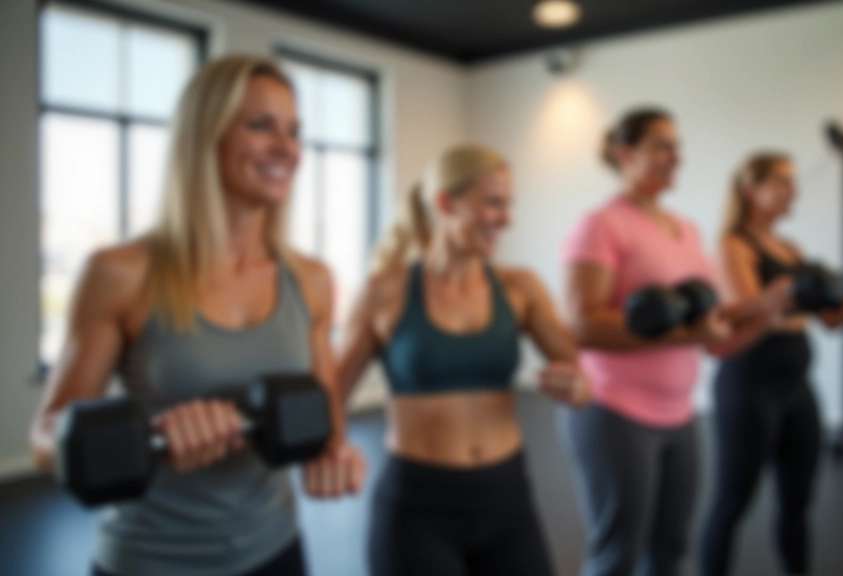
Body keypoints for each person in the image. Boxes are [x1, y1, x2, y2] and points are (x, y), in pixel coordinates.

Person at [28, 55, 365, 576]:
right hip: (150, 560)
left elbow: (327, 409)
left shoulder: (311, 279)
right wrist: (151, 436)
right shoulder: (121, 273)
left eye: (294, 131)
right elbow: (46, 438)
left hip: (276, 549)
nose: (287, 148)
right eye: (261, 125)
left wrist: (334, 452)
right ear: (206, 136)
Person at [333, 144, 591, 576]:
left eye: (508, 205)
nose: (506, 219)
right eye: (492, 203)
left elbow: (581, 376)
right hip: (418, 508)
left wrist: (576, 387)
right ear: (445, 203)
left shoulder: (520, 288)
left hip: (507, 498)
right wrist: (333, 448)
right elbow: (331, 393)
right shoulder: (385, 292)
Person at [560, 108, 790, 576]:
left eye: (677, 147)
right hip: (614, 411)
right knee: (616, 556)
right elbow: (582, 325)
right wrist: (689, 333)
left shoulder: (686, 229)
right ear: (625, 153)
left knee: (669, 551)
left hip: (679, 414)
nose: (675, 157)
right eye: (661, 146)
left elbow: (713, 337)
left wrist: (763, 314)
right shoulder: (602, 224)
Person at [699, 152, 843, 576]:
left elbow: (831, 319)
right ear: (751, 189)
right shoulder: (734, 245)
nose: (793, 191)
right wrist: (780, 305)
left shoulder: (791, 248)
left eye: (792, 182)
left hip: (797, 388)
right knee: (732, 503)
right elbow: (749, 315)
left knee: (798, 502)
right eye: (781, 182)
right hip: (749, 387)